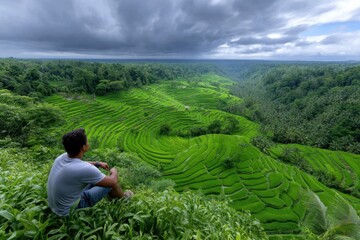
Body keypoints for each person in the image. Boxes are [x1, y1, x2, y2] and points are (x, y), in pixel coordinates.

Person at [47, 128, 133, 216]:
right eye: (87, 141)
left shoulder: (62, 157)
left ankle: (114, 197)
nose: (88, 142)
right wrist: (114, 171)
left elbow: (80, 164)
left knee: (99, 179)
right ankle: (124, 200)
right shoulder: (85, 169)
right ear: (83, 147)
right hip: (68, 210)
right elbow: (112, 181)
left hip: (56, 205)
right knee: (111, 183)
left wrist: (97, 163)